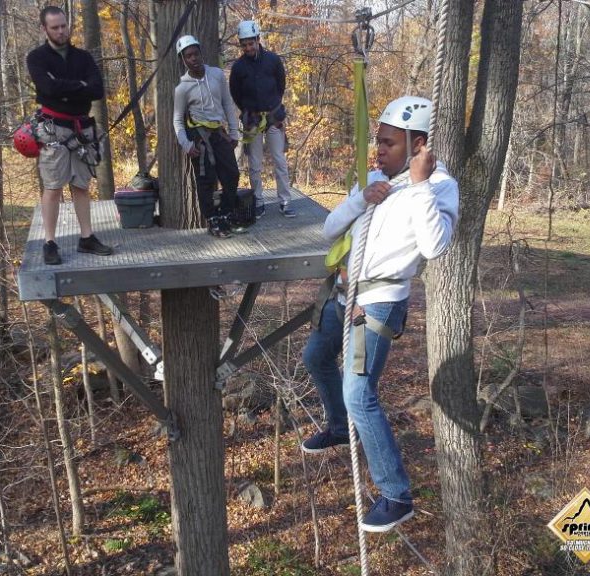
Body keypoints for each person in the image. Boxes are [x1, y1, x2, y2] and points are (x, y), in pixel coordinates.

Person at [301, 96, 459, 532]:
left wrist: (421, 185)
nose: (379, 150)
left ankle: (396, 494)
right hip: (344, 293)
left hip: (379, 302)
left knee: (359, 394)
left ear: (417, 144)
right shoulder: (375, 178)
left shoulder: (440, 185)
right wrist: (361, 199)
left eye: (389, 143)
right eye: (379, 141)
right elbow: (330, 228)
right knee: (315, 358)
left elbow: (435, 248)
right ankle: (338, 426)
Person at [27, 5, 113, 265]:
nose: (61, 31)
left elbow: (97, 90)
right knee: (53, 187)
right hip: (54, 129)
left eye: (64, 26)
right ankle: (50, 242)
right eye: (55, 27)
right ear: (44, 29)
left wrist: (67, 89)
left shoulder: (82, 57)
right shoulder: (37, 58)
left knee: (81, 185)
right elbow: (47, 87)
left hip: (82, 128)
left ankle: (86, 237)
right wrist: (80, 86)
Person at [173, 35, 241, 238]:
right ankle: (212, 220)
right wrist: (185, 144)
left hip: (218, 132)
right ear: (183, 60)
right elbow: (177, 120)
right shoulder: (182, 88)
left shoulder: (217, 75)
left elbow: (228, 104)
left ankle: (226, 214)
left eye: (195, 53)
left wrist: (234, 131)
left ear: (201, 53)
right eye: (188, 56)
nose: (193, 58)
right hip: (199, 135)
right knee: (206, 179)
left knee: (232, 174)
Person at [229, 20, 294, 219]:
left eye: (251, 43)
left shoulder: (273, 60)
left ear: (258, 40)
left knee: (279, 160)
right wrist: (250, 111)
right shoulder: (239, 68)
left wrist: (271, 107)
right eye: (244, 45)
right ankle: (258, 201)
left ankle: (285, 200)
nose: (248, 48)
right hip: (252, 120)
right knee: (255, 164)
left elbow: (280, 85)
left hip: (274, 117)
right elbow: (235, 93)